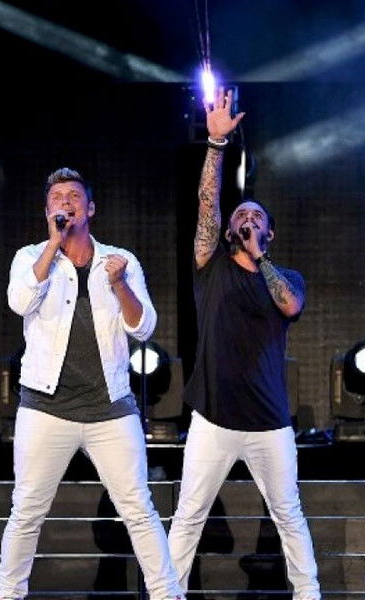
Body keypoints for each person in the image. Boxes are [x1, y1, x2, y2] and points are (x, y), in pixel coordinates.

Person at [0, 167, 184, 600]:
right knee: (26, 511)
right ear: (47, 211)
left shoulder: (119, 260)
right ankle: (7, 595)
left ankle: (167, 593)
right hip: (45, 407)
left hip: (109, 407)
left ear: (91, 208)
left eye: (74, 196)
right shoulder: (30, 257)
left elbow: (143, 327)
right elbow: (19, 302)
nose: (66, 202)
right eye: (57, 197)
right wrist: (53, 244)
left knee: (138, 507)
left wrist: (118, 284)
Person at [167, 89, 320, 599]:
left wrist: (261, 258)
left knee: (288, 514)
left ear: (268, 233)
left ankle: (309, 594)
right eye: (241, 216)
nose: (246, 219)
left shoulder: (286, 278)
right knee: (189, 514)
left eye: (256, 218)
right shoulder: (210, 265)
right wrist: (216, 145)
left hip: (269, 422)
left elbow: (289, 306)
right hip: (213, 419)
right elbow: (207, 205)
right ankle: (167, 593)